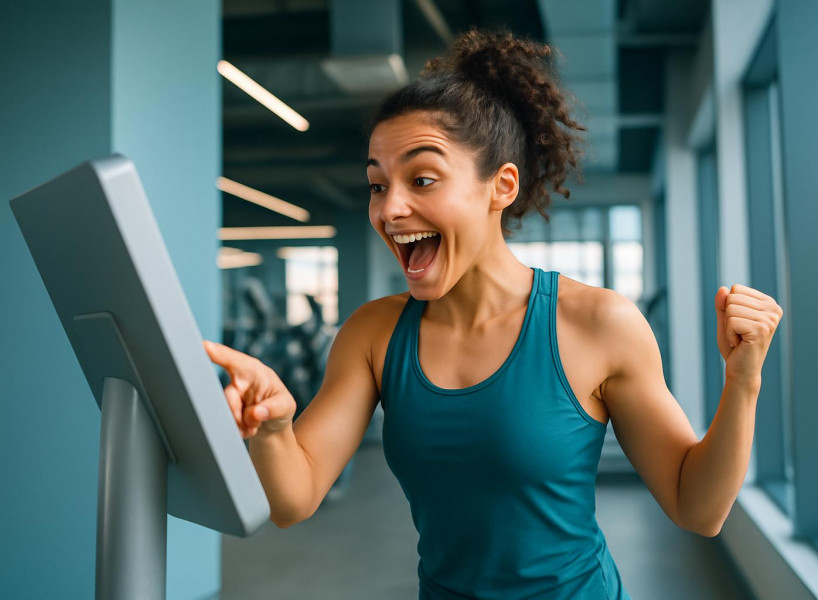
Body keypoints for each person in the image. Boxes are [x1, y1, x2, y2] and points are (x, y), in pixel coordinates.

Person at [204, 27, 783, 600]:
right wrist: (274, 428)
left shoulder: (597, 322)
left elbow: (697, 507)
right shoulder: (375, 333)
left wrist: (743, 381)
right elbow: (293, 499)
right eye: (378, 185)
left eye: (422, 178)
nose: (391, 208)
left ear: (500, 187)